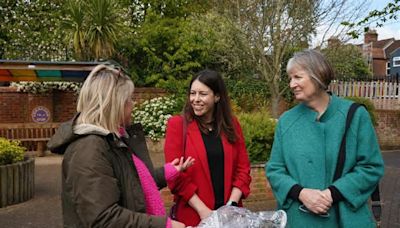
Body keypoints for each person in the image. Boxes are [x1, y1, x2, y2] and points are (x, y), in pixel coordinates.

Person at [47, 64, 194, 228]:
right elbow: (103, 218)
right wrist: (165, 225)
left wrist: (167, 172)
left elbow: (131, 184)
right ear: (114, 104)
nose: (133, 105)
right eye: (129, 99)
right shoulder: (89, 148)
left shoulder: (113, 139)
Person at [265, 49, 384, 227]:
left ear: (317, 75)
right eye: (290, 78)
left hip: (346, 218)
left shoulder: (355, 115)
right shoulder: (286, 121)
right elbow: (275, 169)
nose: (291, 84)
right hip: (299, 219)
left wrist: (332, 193)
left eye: (297, 77)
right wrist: (302, 193)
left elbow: (371, 167)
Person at [164, 69, 252, 226]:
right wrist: (203, 211)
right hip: (195, 216)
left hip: (230, 218)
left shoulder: (231, 125)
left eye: (202, 94)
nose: (195, 99)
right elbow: (175, 176)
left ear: (217, 96)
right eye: (192, 93)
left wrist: (231, 206)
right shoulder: (177, 125)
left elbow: (243, 168)